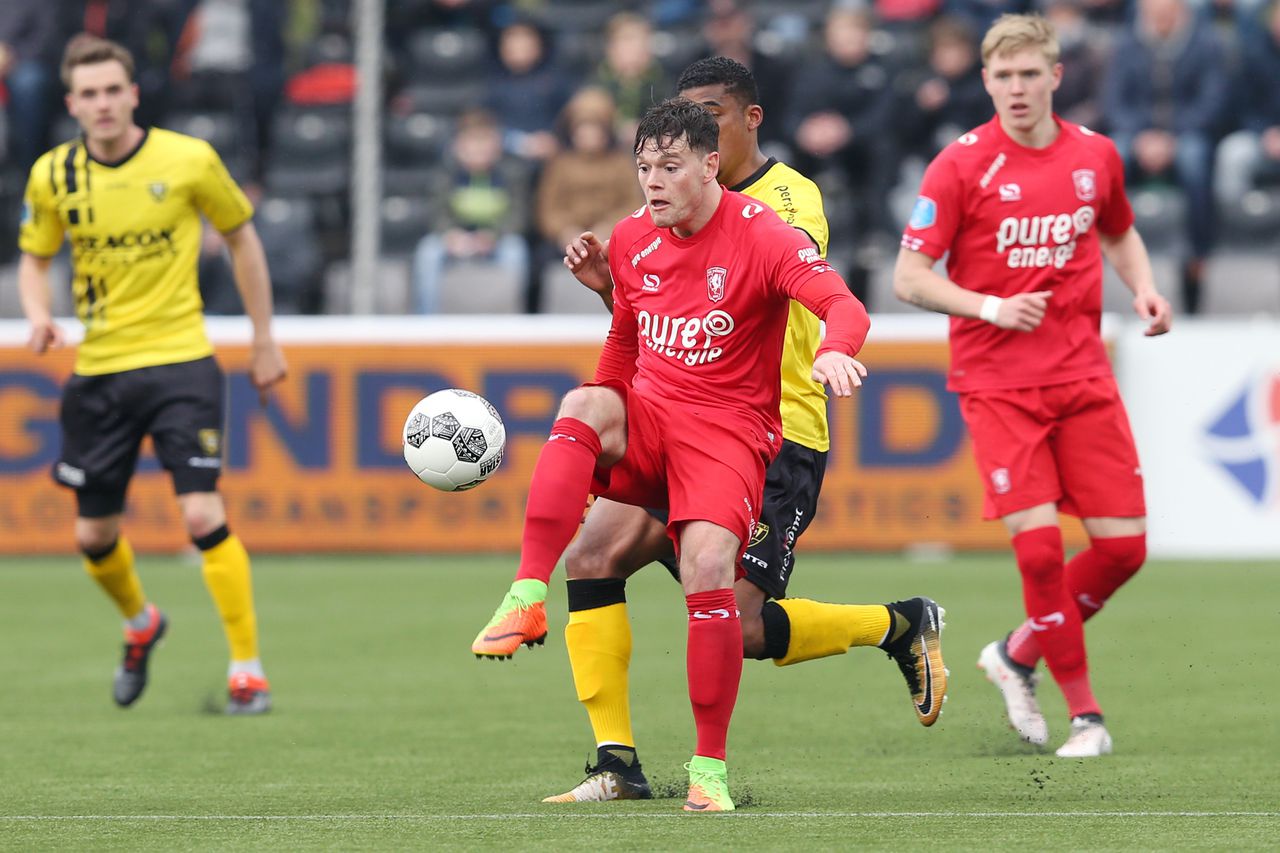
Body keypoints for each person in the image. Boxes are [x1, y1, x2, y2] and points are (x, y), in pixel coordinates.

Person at [475, 57, 948, 803]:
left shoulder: (783, 210)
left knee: (743, 620)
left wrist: (834, 352)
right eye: (648, 160)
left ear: (735, 129)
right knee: (591, 551)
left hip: (773, 428)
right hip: (669, 418)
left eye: (703, 126)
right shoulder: (640, 233)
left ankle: (896, 625)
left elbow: (808, 301)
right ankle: (614, 762)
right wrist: (613, 292)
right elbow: (650, 331)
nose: (659, 171)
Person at [893, 13, 1173, 758]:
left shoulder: (1096, 156)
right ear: (985, 81)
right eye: (1002, 76)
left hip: (1082, 373)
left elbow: (1116, 229)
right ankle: (1086, 715)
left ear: (1055, 76)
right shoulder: (959, 166)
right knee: (1042, 550)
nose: (1016, 88)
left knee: (1123, 549)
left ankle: (1016, 651)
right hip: (998, 382)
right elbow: (909, 276)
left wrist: (1143, 287)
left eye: (1029, 74)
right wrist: (988, 305)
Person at [16, 34, 287, 714]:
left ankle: (247, 671)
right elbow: (34, 255)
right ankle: (140, 622)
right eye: (90, 93)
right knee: (92, 536)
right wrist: (36, 313)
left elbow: (242, 236)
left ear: (133, 94)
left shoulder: (189, 159)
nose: (103, 103)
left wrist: (263, 339)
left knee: (201, 511)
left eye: (114, 90)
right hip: (100, 373)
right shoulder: (53, 175)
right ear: (72, 103)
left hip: (180, 363)